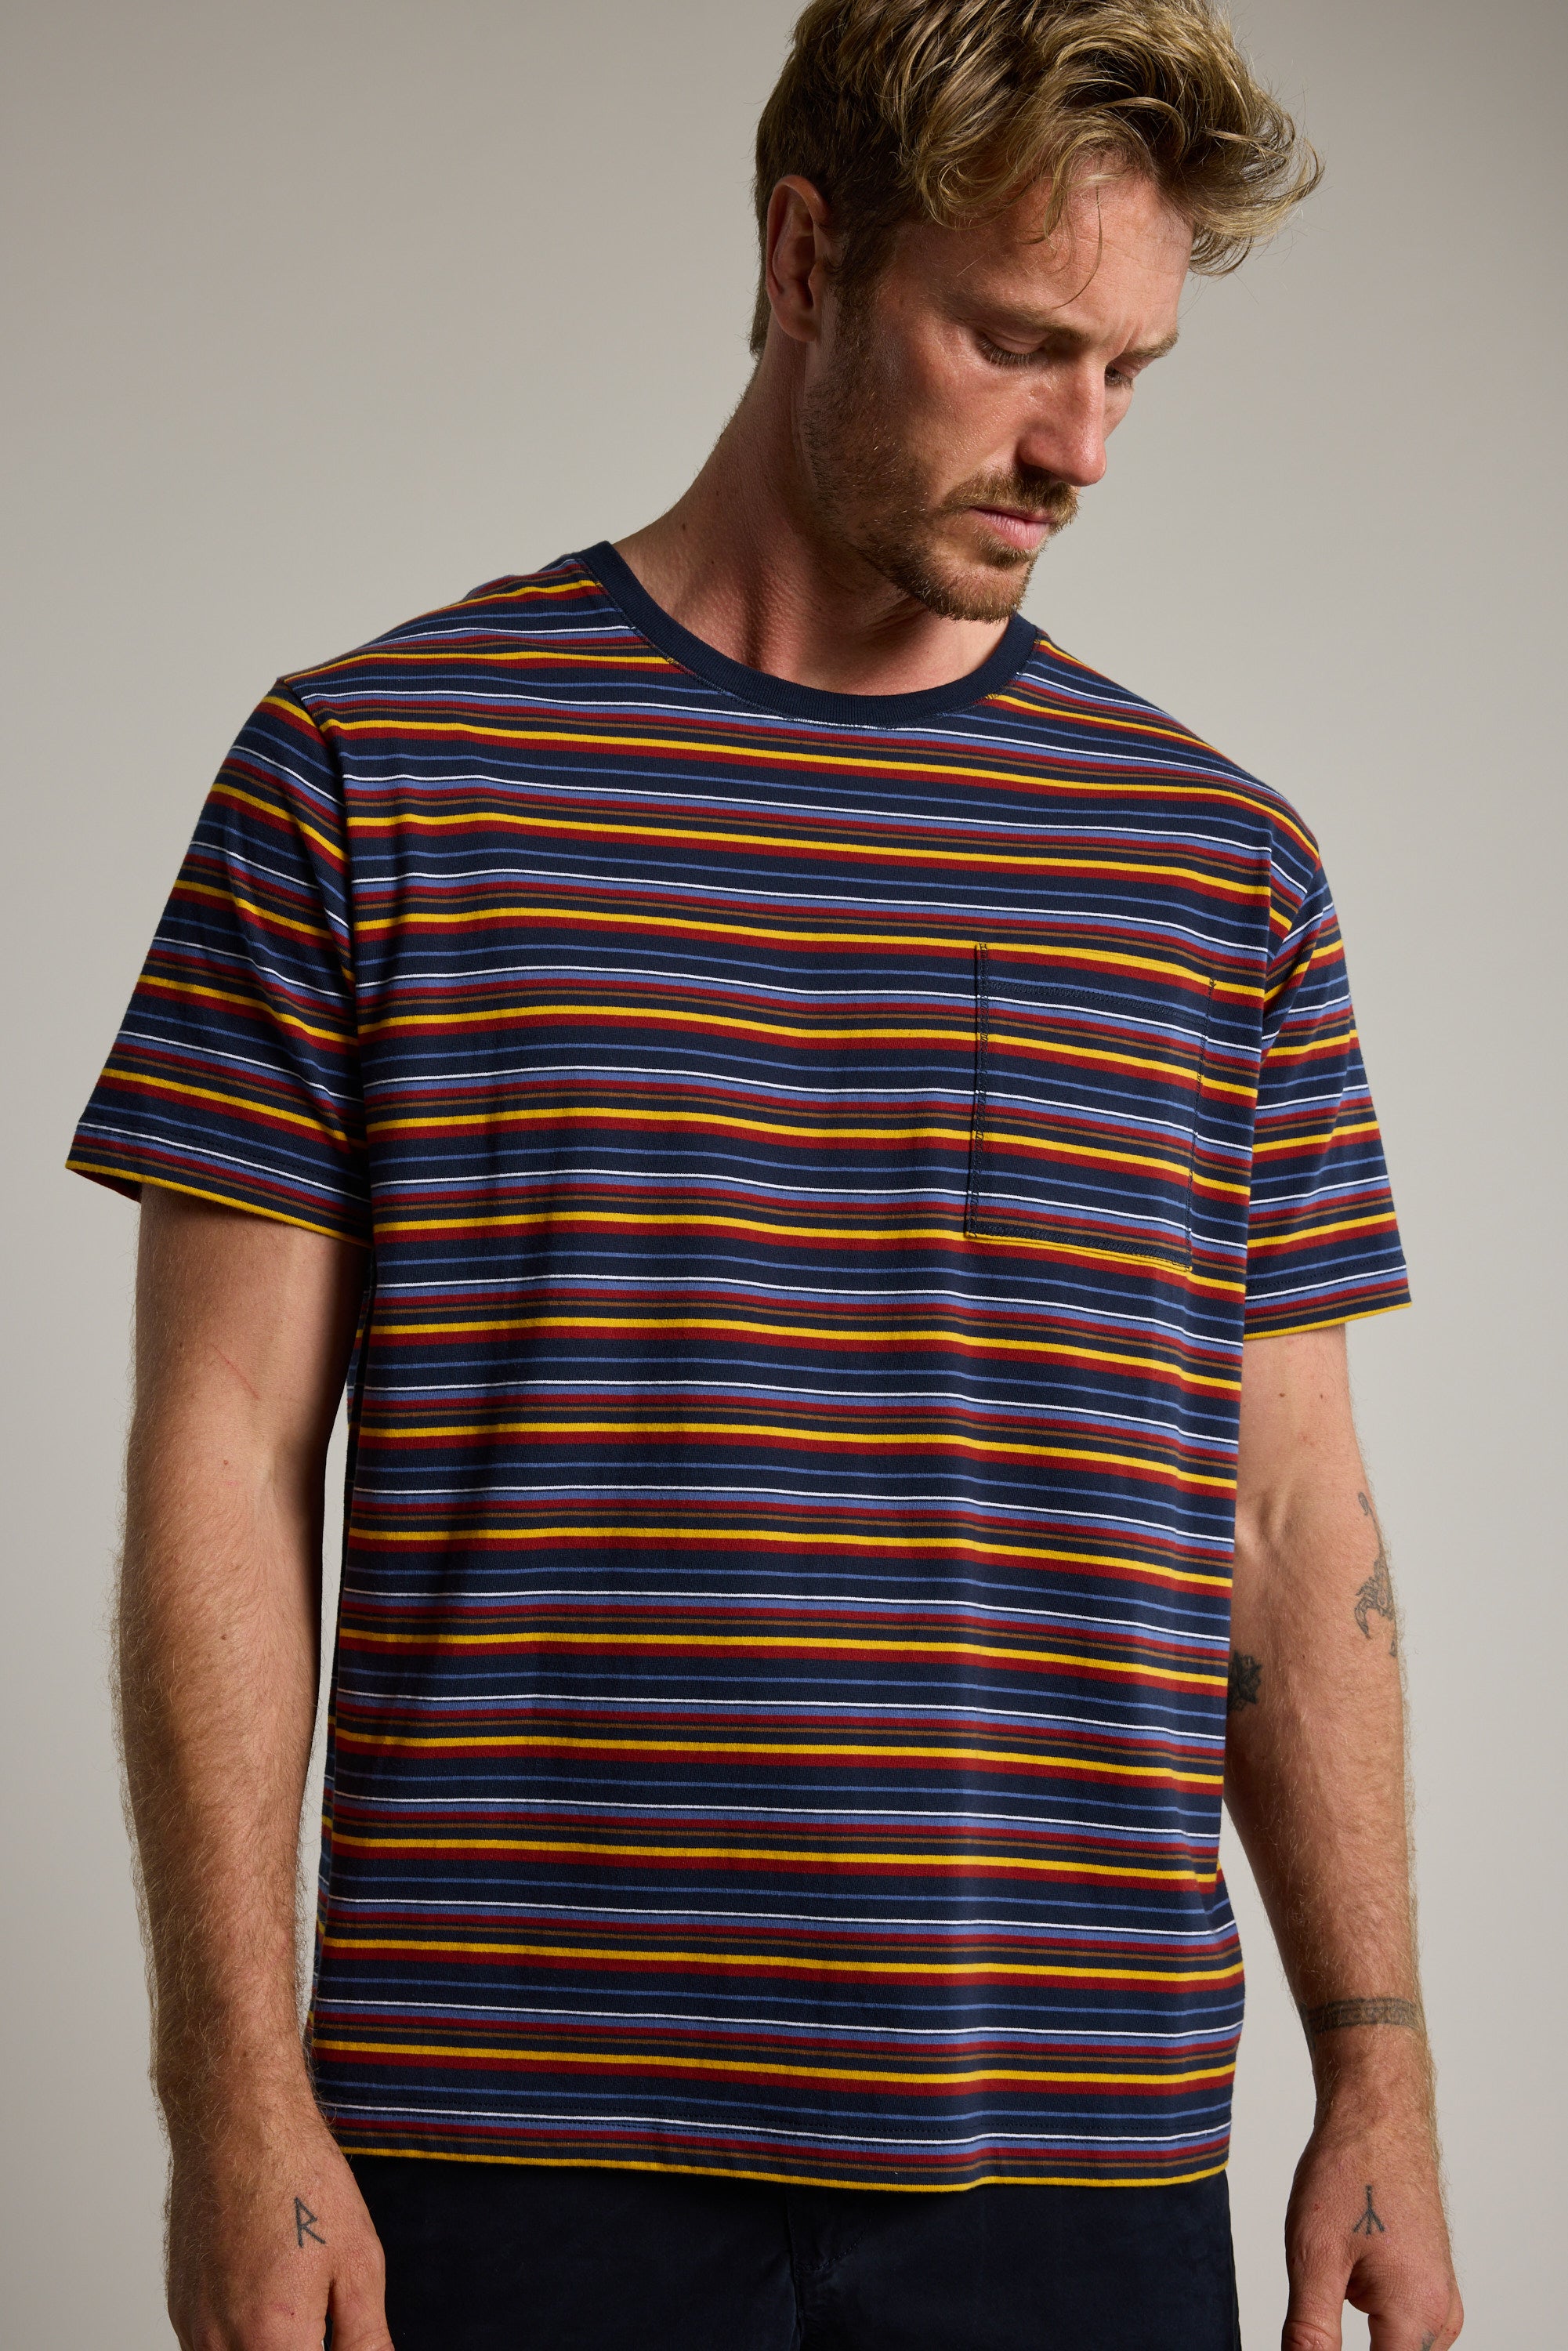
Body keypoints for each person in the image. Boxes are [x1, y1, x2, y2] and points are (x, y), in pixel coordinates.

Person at [70, 3, 1465, 2346]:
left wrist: (1383, 2071)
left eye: (1129, 367)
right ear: (803, 253)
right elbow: (220, 1449)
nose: (1079, 444)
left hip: (1077, 2152)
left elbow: (1288, 1515)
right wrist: (232, 2096)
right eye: (1016, 343)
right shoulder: (372, 775)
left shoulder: (1214, 870)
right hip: (490, 2152)